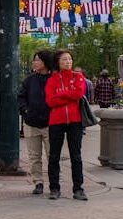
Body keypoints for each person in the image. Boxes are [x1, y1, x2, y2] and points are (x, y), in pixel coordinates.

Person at [44, 49, 88, 201]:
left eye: (69, 59)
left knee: (76, 155)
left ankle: (78, 188)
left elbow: (79, 94)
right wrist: (69, 96)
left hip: (75, 121)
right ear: (58, 62)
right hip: (56, 121)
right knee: (54, 155)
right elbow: (50, 101)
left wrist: (61, 95)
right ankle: (54, 188)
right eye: (64, 60)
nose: (68, 62)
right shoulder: (52, 80)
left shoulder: (78, 77)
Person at [18, 50, 55, 195]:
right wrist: (25, 111)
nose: (35, 62)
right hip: (31, 123)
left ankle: (54, 182)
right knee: (34, 156)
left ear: (45, 62)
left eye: (37, 60)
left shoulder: (54, 78)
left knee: (52, 155)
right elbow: (21, 97)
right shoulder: (29, 80)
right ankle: (38, 182)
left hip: (50, 124)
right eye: (34, 60)